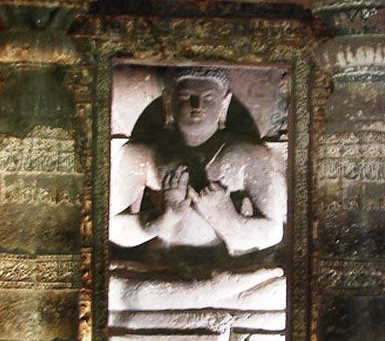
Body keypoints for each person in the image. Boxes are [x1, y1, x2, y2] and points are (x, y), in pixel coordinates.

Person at [109, 66, 286, 264]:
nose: (197, 105)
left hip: (223, 268)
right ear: (169, 101)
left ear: (224, 103)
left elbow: (273, 233)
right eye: (186, 96)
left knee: (275, 287)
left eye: (209, 98)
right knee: (120, 289)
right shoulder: (140, 153)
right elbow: (112, 228)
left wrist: (226, 219)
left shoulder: (251, 154)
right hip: (162, 266)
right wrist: (163, 219)